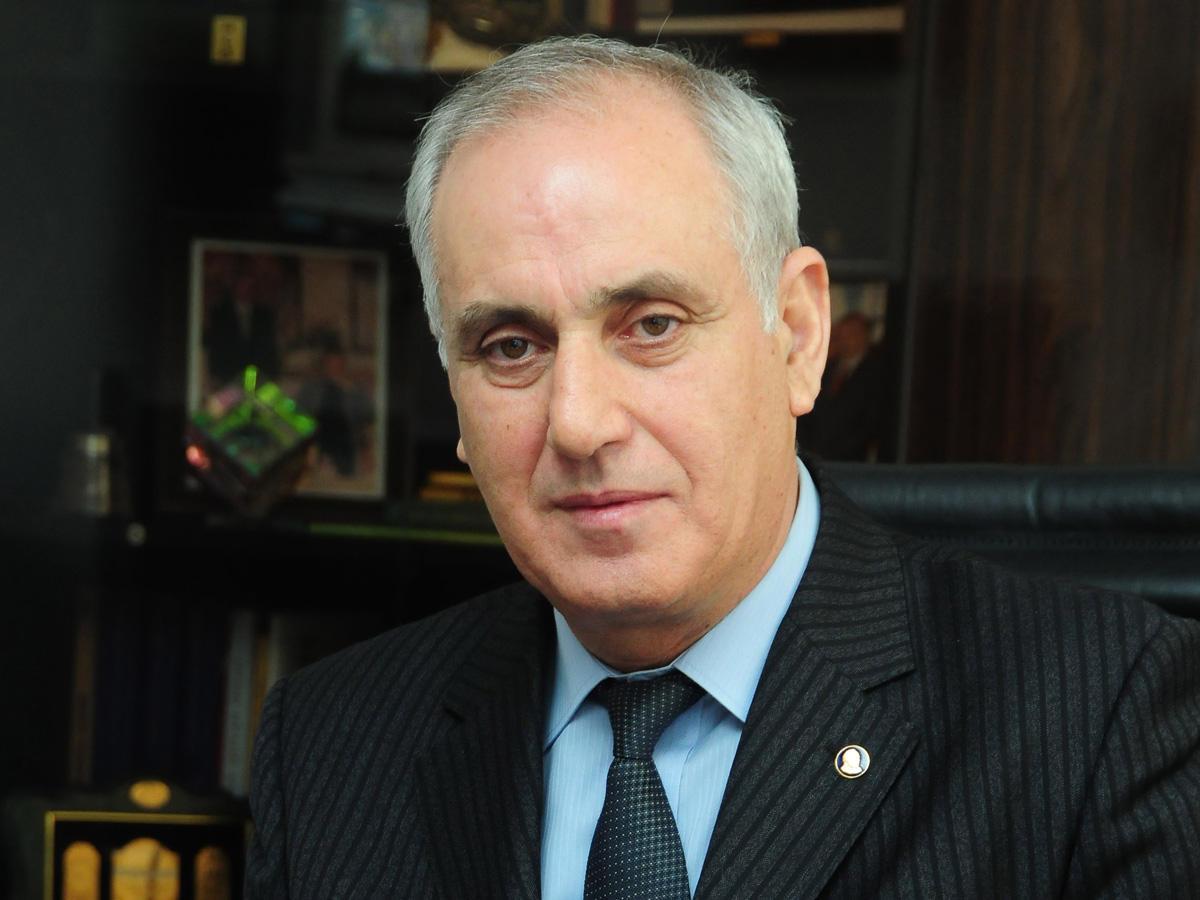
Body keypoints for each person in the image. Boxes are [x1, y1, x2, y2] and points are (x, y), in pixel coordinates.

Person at [246, 37, 1200, 899]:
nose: (578, 423)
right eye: (510, 347)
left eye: (652, 326)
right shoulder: (331, 747)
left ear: (799, 334)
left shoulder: (1099, 716)